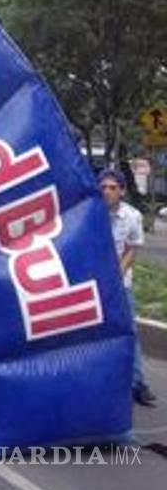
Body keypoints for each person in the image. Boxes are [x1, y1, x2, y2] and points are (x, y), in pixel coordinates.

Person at [100, 169, 157, 407]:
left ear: (122, 191)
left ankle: (138, 384)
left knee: (129, 333)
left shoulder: (132, 216)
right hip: (92, 286)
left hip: (119, 285)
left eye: (113, 187)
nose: (107, 191)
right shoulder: (91, 213)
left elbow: (132, 249)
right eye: (103, 187)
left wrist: (116, 277)